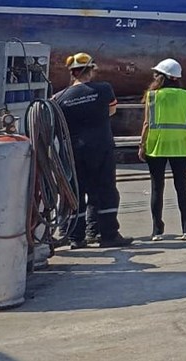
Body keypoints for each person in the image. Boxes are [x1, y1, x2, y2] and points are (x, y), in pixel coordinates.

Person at [52, 52, 133, 248]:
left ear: (72, 73)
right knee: (105, 192)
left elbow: (57, 126)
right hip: (101, 149)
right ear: (90, 71)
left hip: (73, 153)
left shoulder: (58, 98)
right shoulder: (104, 89)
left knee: (76, 194)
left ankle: (75, 238)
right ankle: (108, 235)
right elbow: (111, 111)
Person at [138, 58, 186, 241]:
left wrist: (142, 145)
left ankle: (157, 231)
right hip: (180, 146)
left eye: (156, 74)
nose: (154, 76)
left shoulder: (152, 96)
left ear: (162, 77)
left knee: (157, 188)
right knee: (182, 187)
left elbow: (147, 124)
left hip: (156, 146)